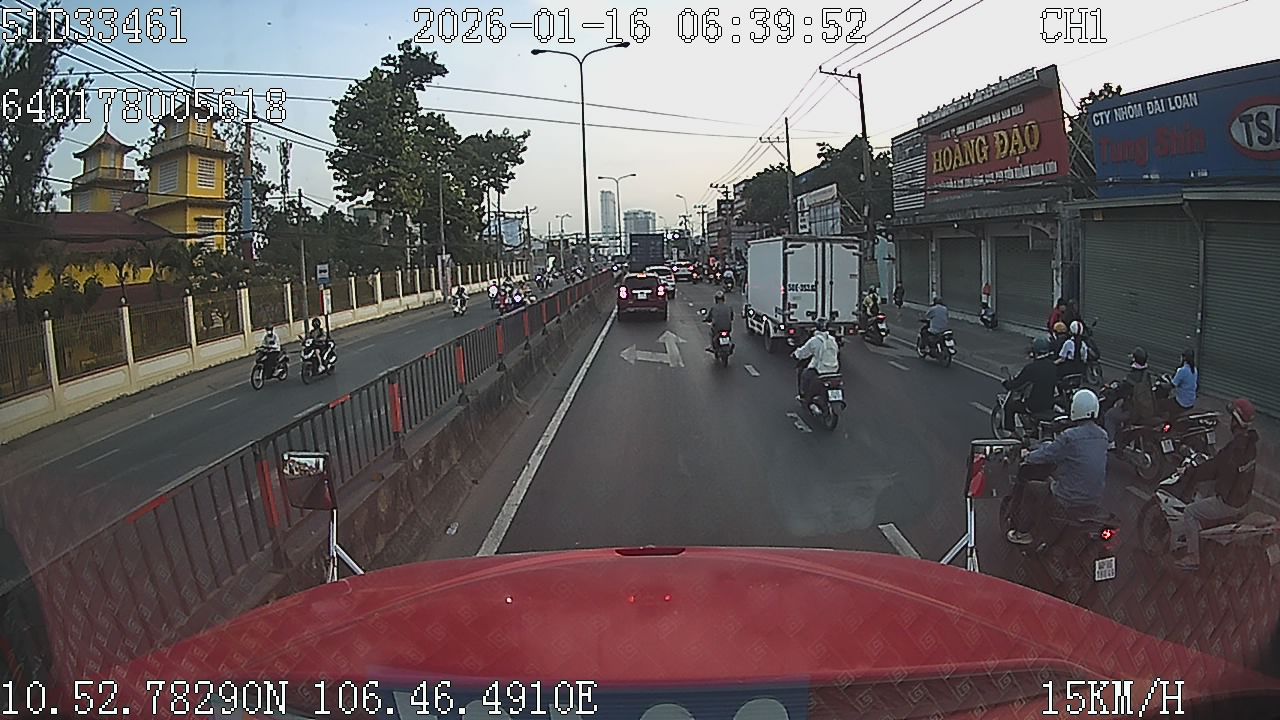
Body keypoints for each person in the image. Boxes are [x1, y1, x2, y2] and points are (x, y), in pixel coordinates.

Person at [1007, 389, 1109, 545]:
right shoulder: (1103, 435)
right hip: (1094, 497)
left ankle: (1023, 533)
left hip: (1068, 497)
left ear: (1075, 408)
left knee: (1032, 488)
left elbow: (1047, 454)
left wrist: (1027, 455)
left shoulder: (1070, 436)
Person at [1168, 398, 1258, 571]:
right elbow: (1222, 466)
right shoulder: (1250, 444)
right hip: (1242, 496)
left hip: (1229, 501)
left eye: (1232, 418)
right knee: (1206, 490)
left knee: (1190, 512)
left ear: (1236, 421)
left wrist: (1191, 472)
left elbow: (1213, 469)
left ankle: (1193, 557)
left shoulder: (1234, 448)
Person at [1003, 337, 1059, 435]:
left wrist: (1006, 383)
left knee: (1010, 406)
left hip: (1033, 406)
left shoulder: (1030, 368)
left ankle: (1011, 434)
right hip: (1049, 404)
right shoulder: (1053, 366)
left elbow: (1016, 384)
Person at [1104, 348, 1157, 448]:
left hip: (1133, 411)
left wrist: (1110, 390)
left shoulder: (1131, 377)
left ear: (1134, 360)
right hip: (1145, 409)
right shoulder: (1146, 374)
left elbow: (1119, 392)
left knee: (1109, 416)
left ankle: (1110, 443)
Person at [792, 317, 840, 401]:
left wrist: (795, 354)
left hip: (820, 370)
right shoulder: (832, 340)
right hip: (834, 370)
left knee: (804, 375)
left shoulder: (814, 340)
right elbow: (836, 351)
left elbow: (803, 353)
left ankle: (804, 396)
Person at [1164, 349, 1199, 418]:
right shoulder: (1194, 370)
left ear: (1184, 358)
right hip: (1191, 400)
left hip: (1182, 402)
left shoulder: (1182, 371)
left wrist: (1161, 385)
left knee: (1162, 404)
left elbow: (1172, 385)